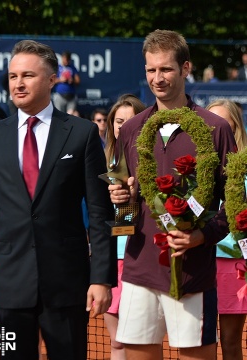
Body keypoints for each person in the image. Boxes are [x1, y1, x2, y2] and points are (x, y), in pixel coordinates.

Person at [0, 39, 115, 360]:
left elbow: (101, 215)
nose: (18, 83)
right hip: (9, 288)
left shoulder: (82, 133)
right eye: (13, 76)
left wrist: (101, 279)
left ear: (52, 78)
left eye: (28, 75)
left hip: (67, 286)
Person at [108, 30, 236, 360]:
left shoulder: (215, 129)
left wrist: (201, 236)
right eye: (151, 70)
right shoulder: (131, 129)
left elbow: (234, 204)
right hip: (139, 270)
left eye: (165, 69)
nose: (157, 78)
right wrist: (122, 203)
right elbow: (123, 208)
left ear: (185, 68)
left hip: (193, 274)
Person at [206, 99, 247, 360]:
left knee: (231, 344)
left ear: (235, 125)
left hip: (235, 264)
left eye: (221, 122)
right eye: (208, 123)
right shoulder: (198, 164)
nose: (214, 128)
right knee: (202, 341)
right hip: (202, 259)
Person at [103, 93, 146, 360]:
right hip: (111, 258)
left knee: (138, 341)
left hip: (140, 257)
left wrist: (133, 196)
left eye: (130, 121)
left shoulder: (153, 161)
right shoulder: (104, 160)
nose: (124, 126)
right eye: (119, 121)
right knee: (116, 342)